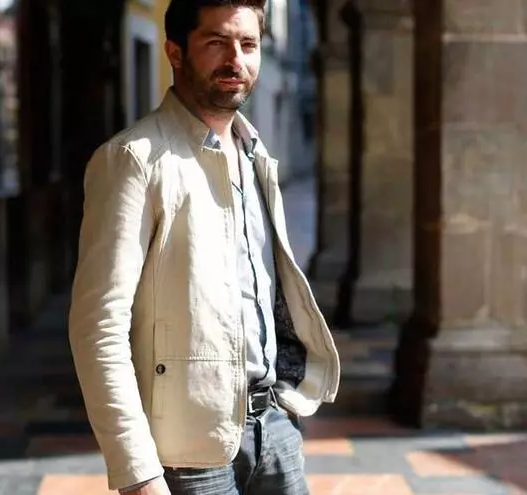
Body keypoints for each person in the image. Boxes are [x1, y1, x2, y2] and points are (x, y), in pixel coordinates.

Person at [68, 1, 340, 493]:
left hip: (275, 426)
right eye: (217, 42)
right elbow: (98, 327)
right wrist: (137, 471)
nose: (236, 59)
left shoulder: (255, 154)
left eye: (248, 44)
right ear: (175, 52)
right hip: (189, 452)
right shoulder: (133, 160)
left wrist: (285, 407)